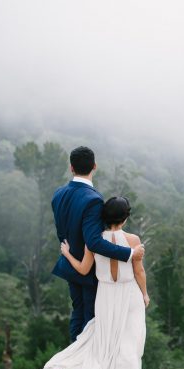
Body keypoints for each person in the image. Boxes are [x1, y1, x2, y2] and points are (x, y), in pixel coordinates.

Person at [40, 196, 149, 369]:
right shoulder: (133, 240)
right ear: (125, 218)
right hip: (129, 293)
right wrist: (145, 294)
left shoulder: (94, 241)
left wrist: (67, 255)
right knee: (131, 338)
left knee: (108, 338)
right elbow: (139, 271)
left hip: (106, 295)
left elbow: (82, 269)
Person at [51, 146, 145, 341]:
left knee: (77, 315)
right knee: (92, 319)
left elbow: (62, 233)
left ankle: (75, 365)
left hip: (71, 265)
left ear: (71, 168)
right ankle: (89, 365)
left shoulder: (58, 195)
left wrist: (69, 255)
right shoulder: (93, 200)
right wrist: (129, 254)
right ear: (95, 166)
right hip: (89, 269)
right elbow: (93, 242)